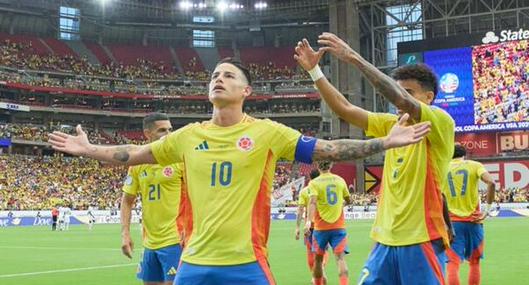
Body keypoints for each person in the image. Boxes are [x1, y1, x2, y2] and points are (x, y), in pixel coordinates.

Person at [49, 58, 431, 285]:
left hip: (247, 264)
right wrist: (88, 150)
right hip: (193, 265)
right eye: (215, 74)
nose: (219, 78)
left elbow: (327, 149)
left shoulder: (267, 132)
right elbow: (132, 154)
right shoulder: (186, 137)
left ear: (247, 91)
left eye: (230, 75)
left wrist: (385, 142)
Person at [294, 34, 455, 285]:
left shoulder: (439, 123)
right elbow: (345, 109)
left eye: (409, 92)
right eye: (399, 89)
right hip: (384, 241)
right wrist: (315, 71)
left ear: (429, 97)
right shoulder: (391, 124)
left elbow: (399, 99)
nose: (398, 100)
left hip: (421, 239)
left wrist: (354, 58)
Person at [120, 113, 184, 285]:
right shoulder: (137, 163)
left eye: (170, 129)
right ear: (147, 134)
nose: (169, 134)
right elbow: (127, 200)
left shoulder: (180, 160)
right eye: (162, 130)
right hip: (150, 242)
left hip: (176, 239)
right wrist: (125, 234)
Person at [445, 144, 496, 285]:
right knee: (474, 262)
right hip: (474, 220)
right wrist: (487, 209)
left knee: (452, 263)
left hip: (451, 223)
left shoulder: (442, 167)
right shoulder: (475, 165)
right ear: (464, 154)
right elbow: (491, 182)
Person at [306, 161, 352, 285]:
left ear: (318, 166)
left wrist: (309, 222)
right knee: (341, 259)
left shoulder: (314, 183)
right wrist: (342, 204)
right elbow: (349, 199)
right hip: (338, 226)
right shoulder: (340, 180)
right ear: (331, 166)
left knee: (318, 260)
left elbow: (313, 202)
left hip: (320, 227)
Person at [295, 169, 329, 283]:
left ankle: (315, 276)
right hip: (323, 225)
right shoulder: (324, 189)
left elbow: (300, 209)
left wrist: (297, 227)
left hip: (309, 226)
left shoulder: (304, 191)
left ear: (309, 178)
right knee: (323, 250)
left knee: (310, 250)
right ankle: (322, 267)